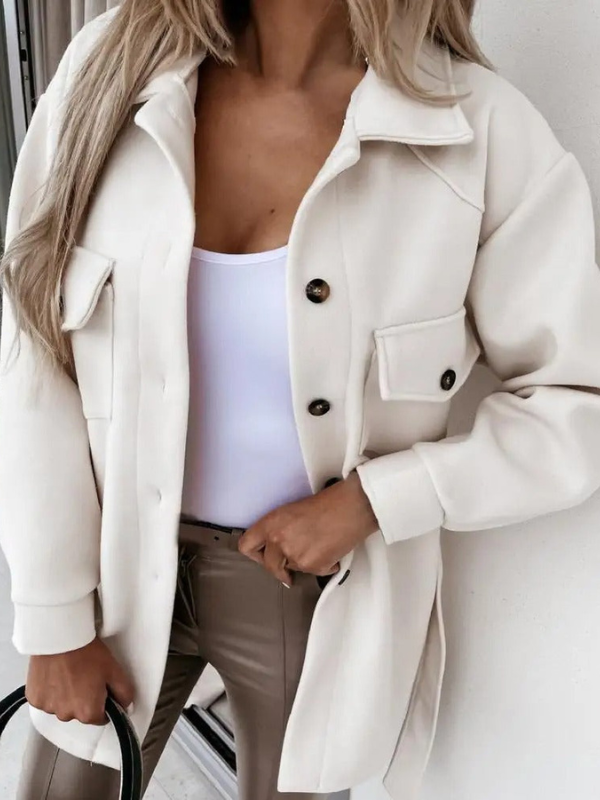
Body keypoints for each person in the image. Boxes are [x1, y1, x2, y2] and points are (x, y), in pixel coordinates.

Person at [1, 1, 600, 798]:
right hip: (112, 569)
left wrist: (375, 501)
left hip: (307, 592)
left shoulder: (476, 133)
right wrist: (52, 615)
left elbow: (575, 404)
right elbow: (36, 355)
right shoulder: (109, 74)